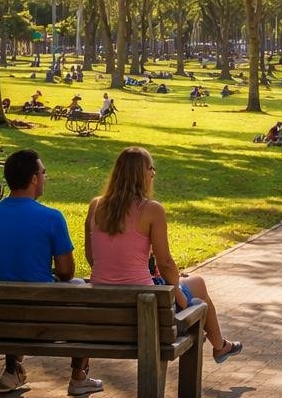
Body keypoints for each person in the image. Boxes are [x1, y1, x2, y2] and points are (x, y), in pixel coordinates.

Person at [87, 147, 242, 364]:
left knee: (189, 287)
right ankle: (219, 346)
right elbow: (166, 262)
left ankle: (221, 345)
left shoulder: (95, 206)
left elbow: (92, 257)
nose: (153, 174)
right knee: (198, 287)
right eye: (151, 168)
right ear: (141, 174)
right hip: (145, 309)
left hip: (102, 309)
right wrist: (176, 288)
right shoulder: (151, 209)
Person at [0, 149, 101, 396]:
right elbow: (66, 272)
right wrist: (47, 270)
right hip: (42, 318)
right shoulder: (51, 217)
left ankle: (12, 369)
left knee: (12, 289)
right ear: (33, 179)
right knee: (84, 293)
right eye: (43, 172)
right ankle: (79, 375)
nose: (45, 177)